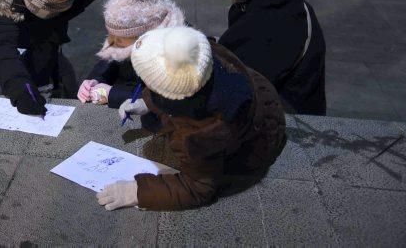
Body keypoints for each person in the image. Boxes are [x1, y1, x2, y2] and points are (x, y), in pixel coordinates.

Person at [96, 26, 286, 211]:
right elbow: (178, 83)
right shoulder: (200, 51)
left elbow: (198, 189)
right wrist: (147, 102)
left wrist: (138, 191)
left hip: (255, 143)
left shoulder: (198, 136)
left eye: (149, 84)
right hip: (262, 95)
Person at [77, 0, 185, 110]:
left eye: (121, 37)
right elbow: (109, 61)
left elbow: (167, 100)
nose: (114, 41)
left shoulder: (178, 48)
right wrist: (94, 81)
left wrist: (112, 94)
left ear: (144, 34)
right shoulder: (130, 38)